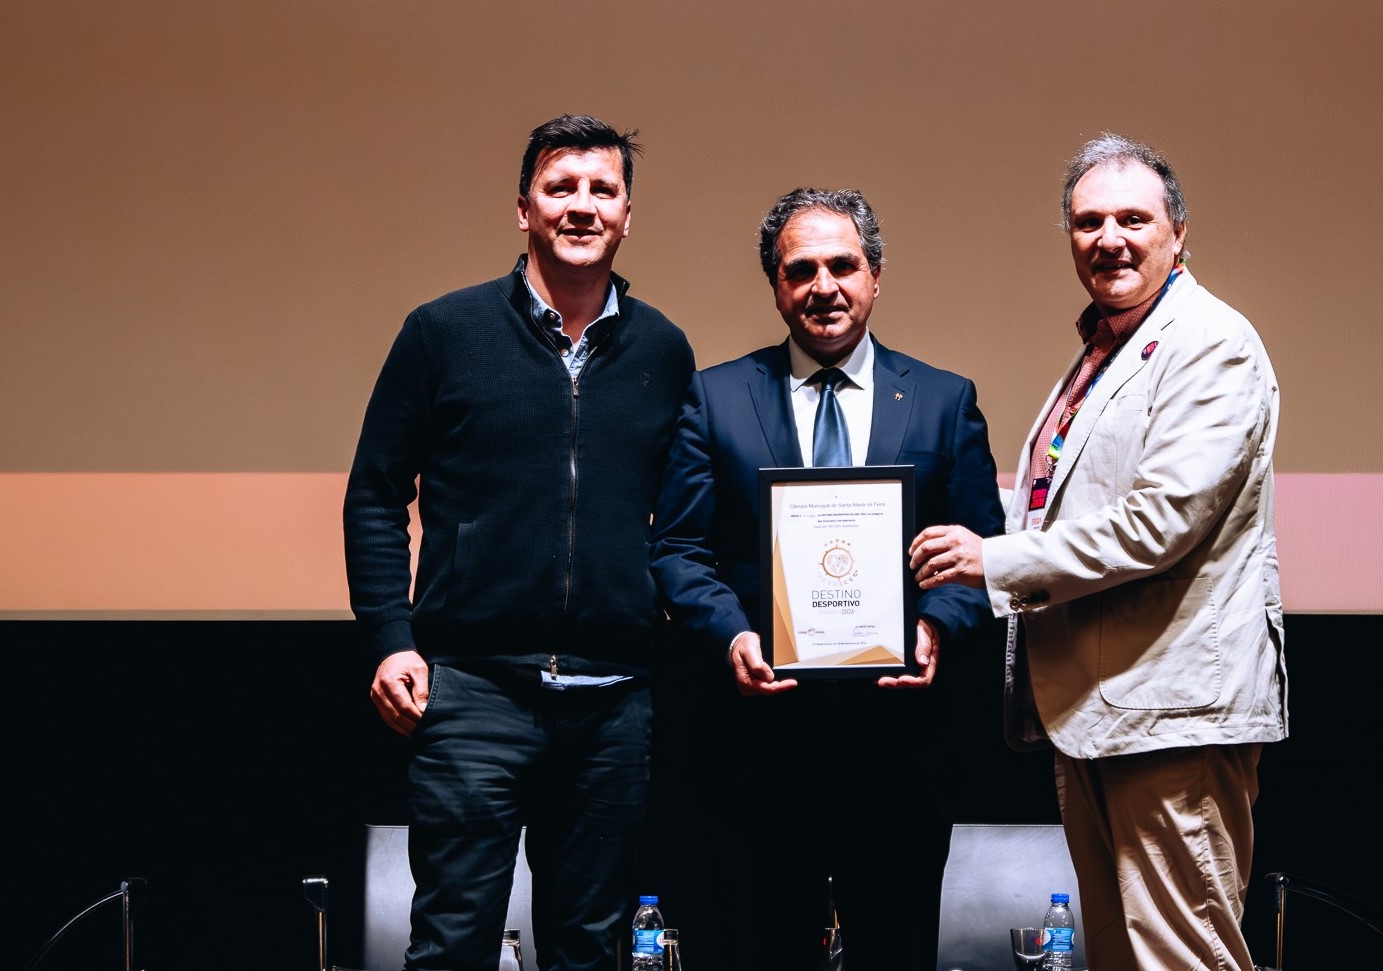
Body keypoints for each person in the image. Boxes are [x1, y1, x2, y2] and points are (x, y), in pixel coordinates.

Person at [909, 134, 1287, 970]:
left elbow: (1161, 520)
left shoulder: (1210, 342)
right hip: (1105, 713)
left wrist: (994, 560)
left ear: (1178, 231)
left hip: (1172, 717)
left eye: (1132, 219)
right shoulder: (1107, 348)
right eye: (1087, 222)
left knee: (1182, 956)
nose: (1108, 238)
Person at [343, 114, 694, 971]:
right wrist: (390, 639)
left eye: (602, 189)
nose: (582, 205)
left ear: (626, 215)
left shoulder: (663, 350)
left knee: (588, 949)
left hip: (612, 702)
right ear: (523, 209)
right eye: (559, 186)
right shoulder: (442, 332)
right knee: (451, 944)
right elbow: (375, 494)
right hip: (472, 694)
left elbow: (684, 522)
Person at [650, 187, 1004, 970]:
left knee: (896, 950)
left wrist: (935, 625)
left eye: (842, 265)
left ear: (875, 275)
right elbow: (678, 549)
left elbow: (979, 553)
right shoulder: (716, 397)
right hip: (759, 746)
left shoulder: (944, 401)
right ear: (775, 286)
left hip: (900, 745)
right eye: (799, 270)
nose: (823, 286)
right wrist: (732, 635)